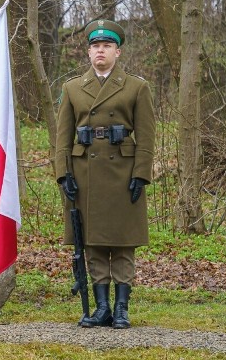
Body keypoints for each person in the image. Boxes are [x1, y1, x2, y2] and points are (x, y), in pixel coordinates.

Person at [54, 19, 155, 329]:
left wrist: (141, 174)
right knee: (93, 242)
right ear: (88, 53)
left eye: (107, 46)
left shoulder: (137, 87)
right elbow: (63, 137)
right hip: (86, 172)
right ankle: (101, 308)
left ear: (118, 52)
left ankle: (122, 308)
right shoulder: (71, 88)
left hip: (123, 172)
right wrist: (63, 174)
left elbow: (147, 135)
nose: (101, 50)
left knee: (123, 242)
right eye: (96, 46)